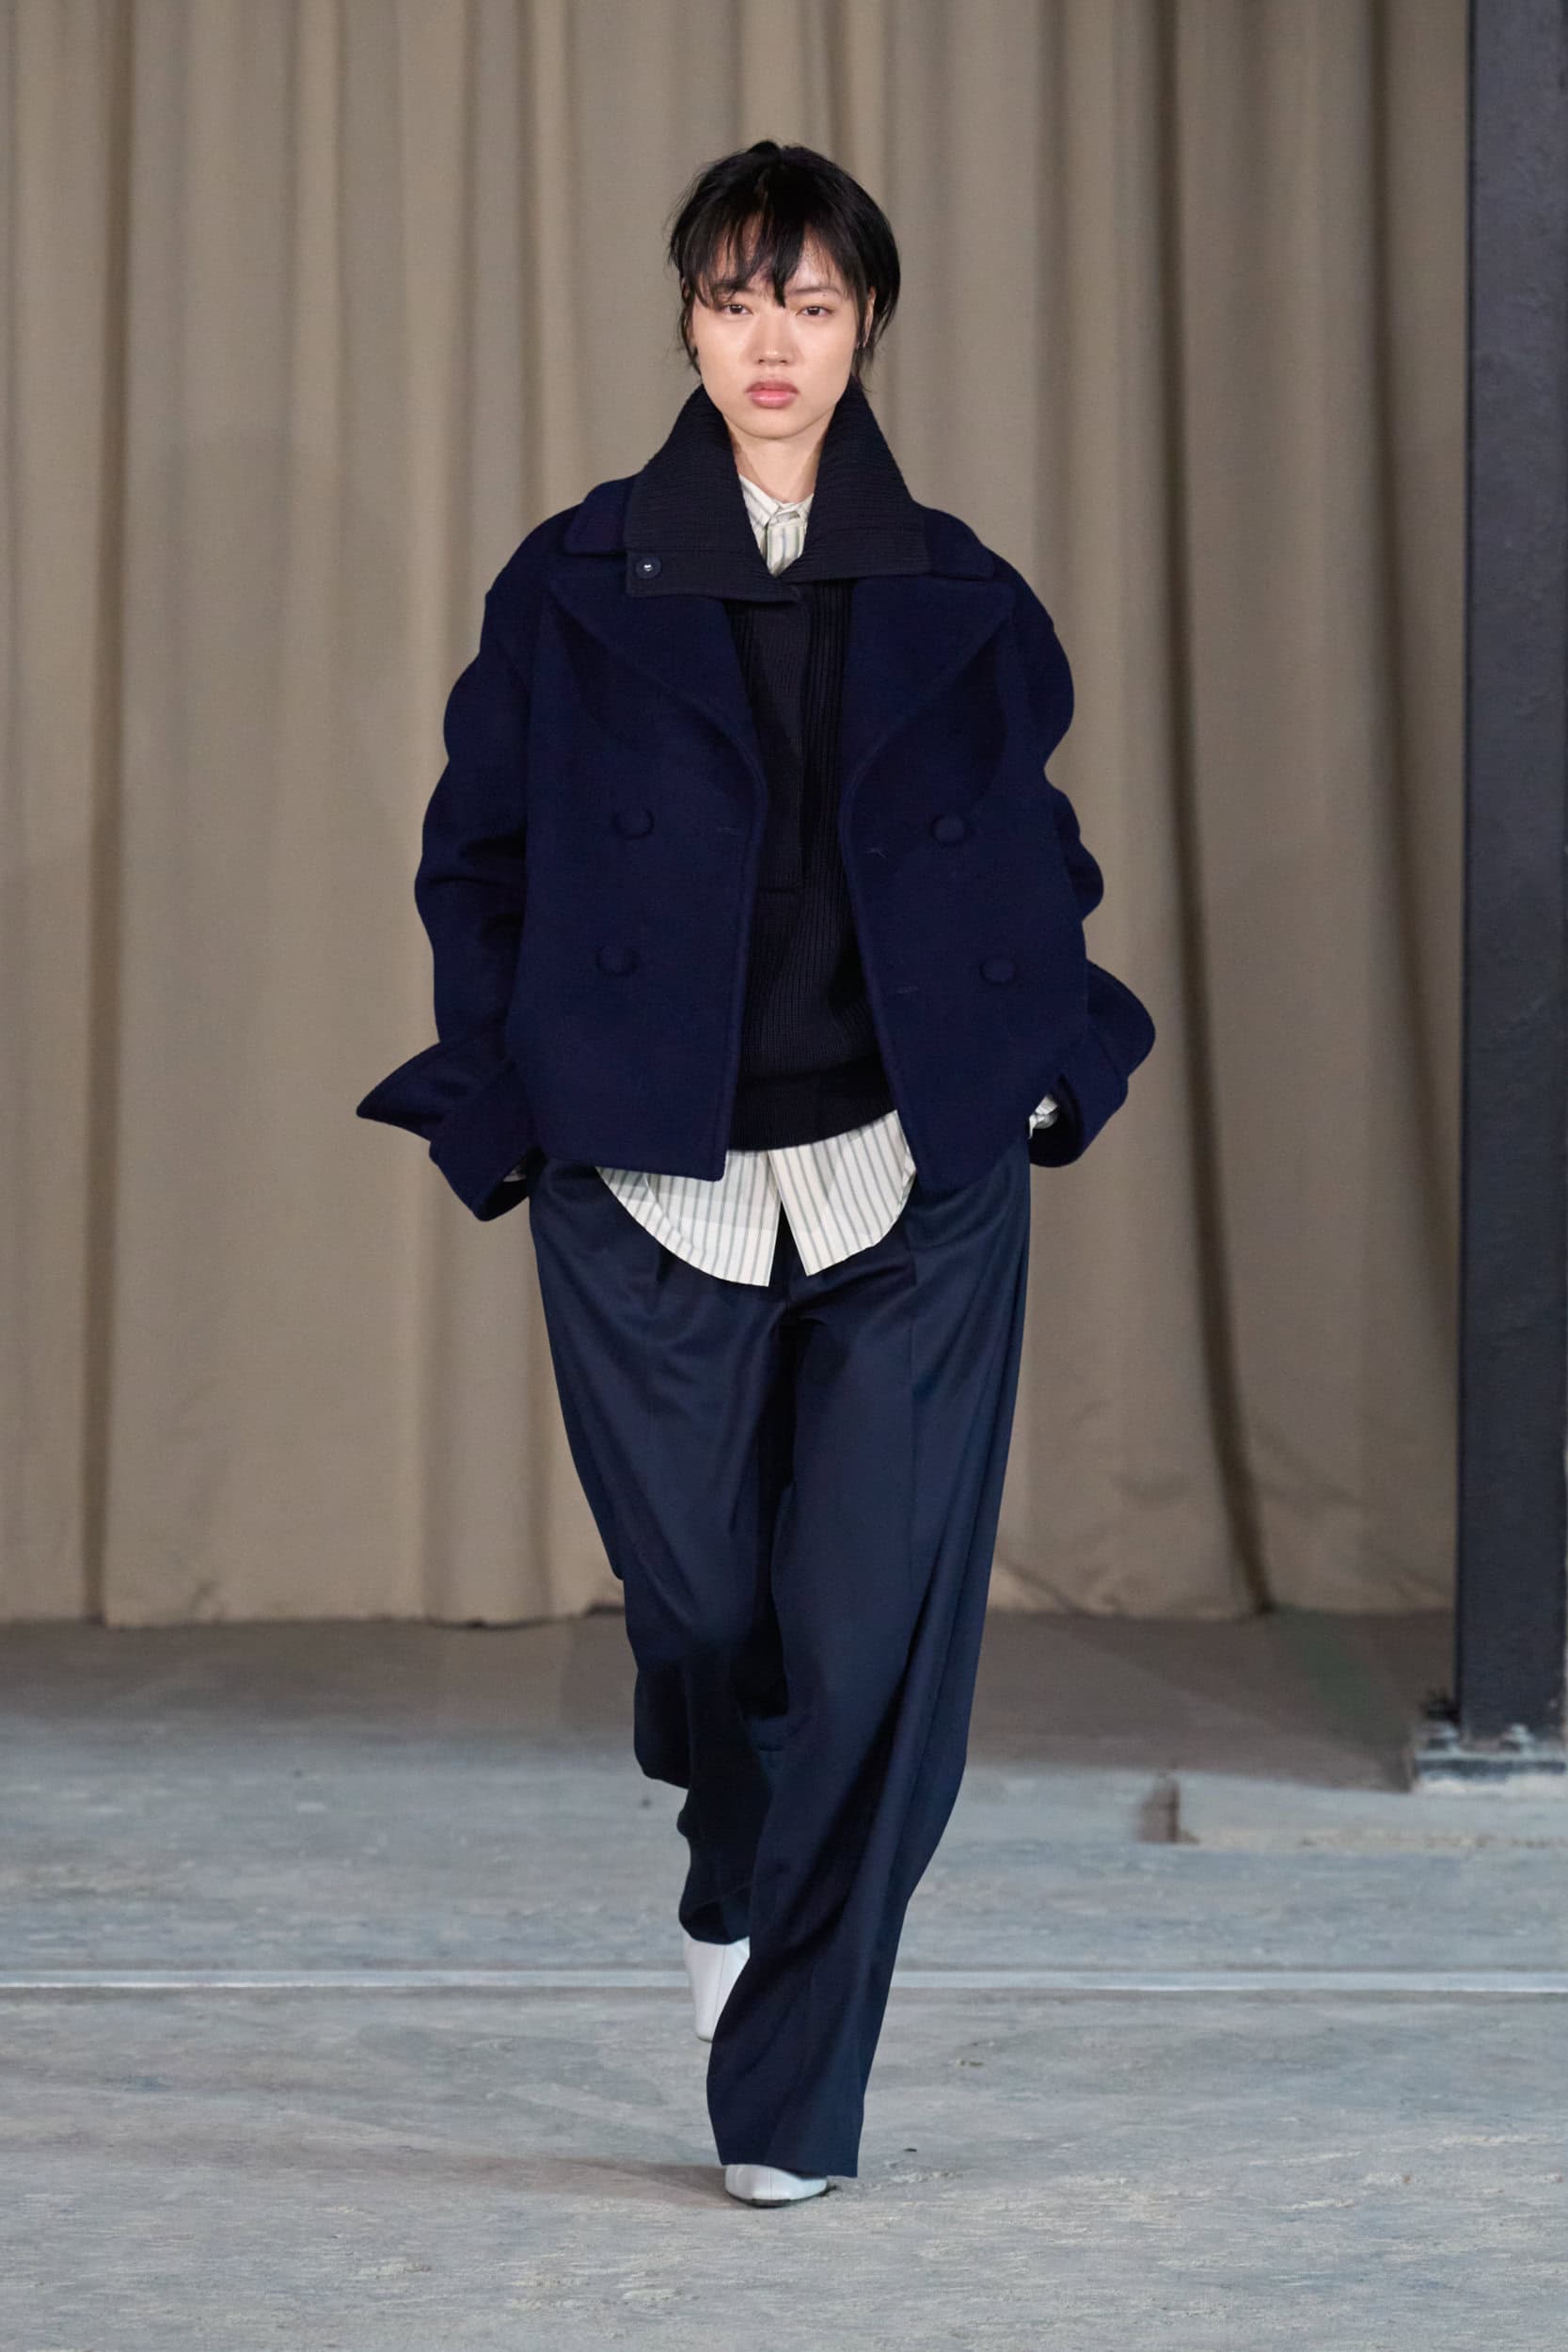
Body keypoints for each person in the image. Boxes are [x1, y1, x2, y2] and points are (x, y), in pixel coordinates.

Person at [356, 140, 1156, 2206]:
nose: (770, 340)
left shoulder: (963, 596)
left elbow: (1035, 860)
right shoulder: (569, 580)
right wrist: (515, 1093)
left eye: (808, 301)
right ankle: (729, 1852)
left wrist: (1051, 1065)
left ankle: (790, 2094)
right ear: (689, 323)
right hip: (650, 1181)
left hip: (913, 1178)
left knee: (872, 1646)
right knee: (710, 1617)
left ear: (866, 320)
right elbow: (478, 861)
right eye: (734, 300)